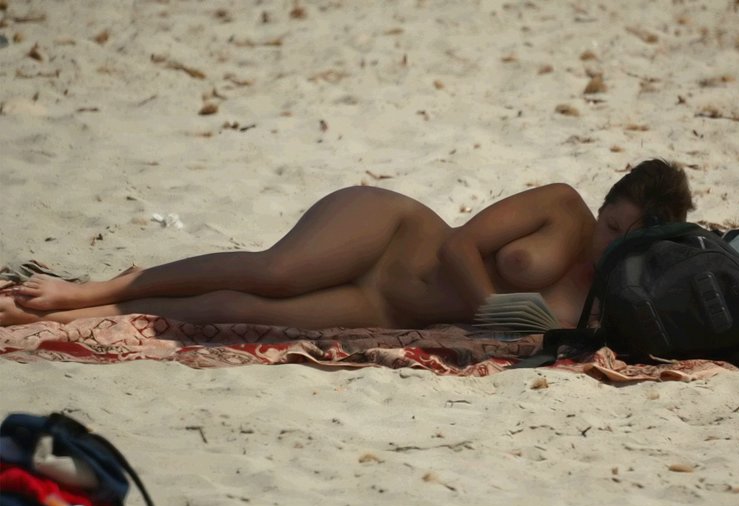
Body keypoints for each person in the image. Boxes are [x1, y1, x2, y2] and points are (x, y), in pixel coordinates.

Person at [0, 159, 694, 329]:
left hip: (389, 307)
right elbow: (458, 246)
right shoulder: (563, 208)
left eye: (629, 239)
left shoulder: (619, 292)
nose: (610, 243)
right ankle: (96, 287)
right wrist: (494, 309)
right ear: (604, 204)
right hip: (394, 234)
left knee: (239, 312)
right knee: (274, 272)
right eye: (612, 224)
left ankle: (85, 314)